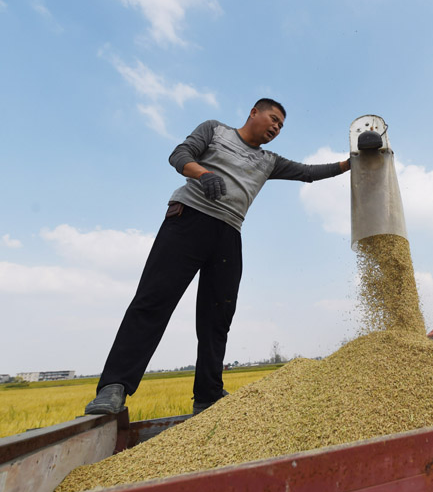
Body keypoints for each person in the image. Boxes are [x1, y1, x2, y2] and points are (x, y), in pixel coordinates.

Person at [85, 98, 350, 416]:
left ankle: (208, 395)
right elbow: (179, 155)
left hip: (228, 235)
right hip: (187, 220)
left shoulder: (269, 161)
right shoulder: (215, 131)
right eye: (273, 119)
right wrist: (202, 173)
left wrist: (352, 162)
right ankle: (113, 387)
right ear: (254, 112)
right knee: (153, 302)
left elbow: (308, 172)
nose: (276, 127)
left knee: (217, 318)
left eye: (281, 125)